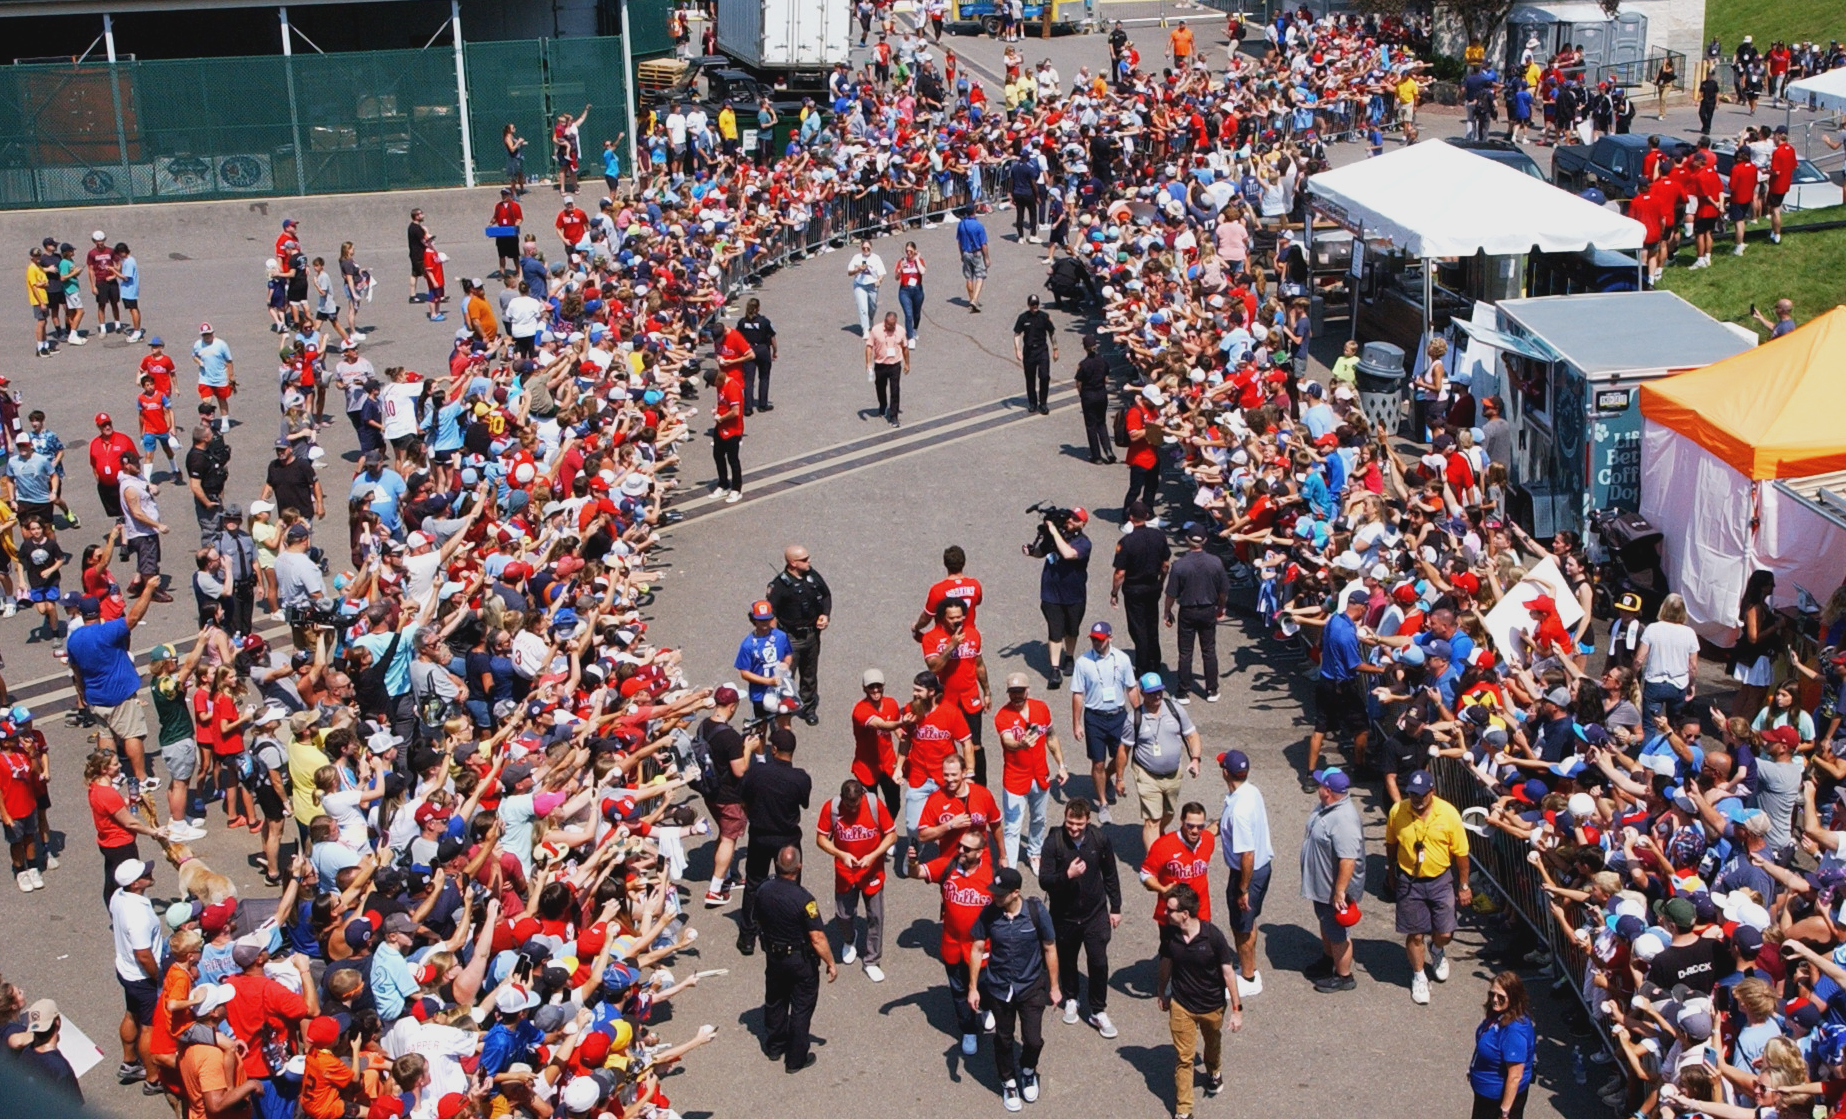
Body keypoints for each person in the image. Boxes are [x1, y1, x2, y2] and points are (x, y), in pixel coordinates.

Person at [967, 865, 1058, 1112]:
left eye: (1000, 893)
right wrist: (974, 988)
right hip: (999, 988)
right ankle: (1008, 1081)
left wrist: (1055, 986)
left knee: (1034, 1040)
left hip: (1031, 987)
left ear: (1015, 893)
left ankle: (1028, 1070)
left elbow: (1050, 947)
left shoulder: (1036, 912)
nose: (994, 897)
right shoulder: (989, 914)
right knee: (1004, 1039)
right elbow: (976, 949)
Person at [1384, 769, 1470, 1005]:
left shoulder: (1449, 814)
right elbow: (1391, 844)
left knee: (1444, 932)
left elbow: (1461, 854)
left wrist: (1464, 885)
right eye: (1412, 793)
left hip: (1440, 880)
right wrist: (1391, 872)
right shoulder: (1398, 811)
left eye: (1421, 794)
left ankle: (1438, 949)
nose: (1417, 798)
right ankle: (1419, 975)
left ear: (1432, 791)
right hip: (1408, 880)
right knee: (1415, 932)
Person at [1038, 797, 1120, 1038]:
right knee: (1067, 959)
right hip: (1064, 915)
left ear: (1088, 820)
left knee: (1098, 961)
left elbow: (1110, 873)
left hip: (1095, 913)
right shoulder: (1054, 842)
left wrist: (1115, 907)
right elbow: (1045, 880)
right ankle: (1071, 997)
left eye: (1079, 824)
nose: (1073, 828)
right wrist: (1067, 874)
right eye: (1069, 823)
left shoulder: (1099, 839)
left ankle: (1098, 1010)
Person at [1157, 883, 1241, 1119]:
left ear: (1185, 914)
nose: (1166, 912)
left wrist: (1237, 1009)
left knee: (1212, 1042)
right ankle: (1184, 1109)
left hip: (1212, 1006)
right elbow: (1166, 964)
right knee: (1184, 1058)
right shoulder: (1171, 936)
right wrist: (1161, 991)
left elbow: (1228, 973)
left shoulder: (1212, 936)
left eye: (1170, 909)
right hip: (1181, 1005)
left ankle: (1214, 1070)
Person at [70, 581, 160, 793]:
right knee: (132, 735)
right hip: (119, 693)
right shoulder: (108, 631)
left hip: (95, 695)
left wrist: (81, 693)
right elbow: (134, 617)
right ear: (99, 611)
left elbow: (76, 670)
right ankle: (141, 777)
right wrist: (148, 590)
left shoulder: (74, 640)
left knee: (106, 736)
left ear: (81, 614)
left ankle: (114, 775)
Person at [755, 845, 836, 1074]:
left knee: (776, 1001)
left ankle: (775, 1046)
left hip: (774, 956)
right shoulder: (804, 899)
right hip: (801, 961)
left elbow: (757, 918)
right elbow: (817, 937)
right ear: (798, 867)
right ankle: (795, 1059)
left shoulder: (763, 890)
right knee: (801, 1008)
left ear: (776, 865)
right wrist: (830, 962)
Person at [815, 777, 898, 983]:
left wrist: (874, 855)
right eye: (848, 805)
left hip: (872, 872)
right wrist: (840, 854)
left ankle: (871, 961)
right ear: (842, 798)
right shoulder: (832, 808)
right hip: (845, 873)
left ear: (862, 795)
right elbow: (821, 839)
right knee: (843, 915)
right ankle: (849, 939)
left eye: (856, 804)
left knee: (876, 917)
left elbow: (892, 835)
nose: (852, 809)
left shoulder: (874, 805)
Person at [738, 728, 811, 956]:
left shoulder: (757, 772)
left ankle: (748, 937)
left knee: (753, 884)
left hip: (760, 835)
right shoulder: (800, 777)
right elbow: (804, 803)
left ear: (775, 749)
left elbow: (743, 798)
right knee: (790, 886)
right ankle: (789, 931)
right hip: (787, 838)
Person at [1300, 766, 1365, 993]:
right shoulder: (1330, 807)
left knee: (1338, 933)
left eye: (1320, 784)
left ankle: (1344, 976)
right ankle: (1329, 960)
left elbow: (1348, 859)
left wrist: (1340, 892)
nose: (1318, 787)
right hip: (1323, 885)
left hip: (1333, 889)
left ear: (1327, 791)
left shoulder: (1344, 819)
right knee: (1326, 923)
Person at [1119, 674, 1202, 850]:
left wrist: (1195, 759)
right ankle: (1153, 863)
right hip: (1146, 774)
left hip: (1173, 773)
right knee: (1152, 820)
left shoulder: (1175, 710)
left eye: (1159, 692)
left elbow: (1192, 735)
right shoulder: (1134, 718)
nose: (1157, 696)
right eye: (1151, 693)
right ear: (1142, 693)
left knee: (1169, 813)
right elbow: (1123, 750)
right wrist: (1120, 778)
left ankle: (1159, 831)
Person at [993, 674, 1065, 872]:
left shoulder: (1041, 708)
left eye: (1020, 691)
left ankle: (1035, 853)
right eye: (1013, 692)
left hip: (1041, 776)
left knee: (1039, 819)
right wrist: (1020, 744)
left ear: (1028, 690)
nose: (1016, 696)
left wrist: (1061, 765)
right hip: (1015, 780)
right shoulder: (1003, 716)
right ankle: (1011, 870)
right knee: (1013, 827)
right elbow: (1008, 740)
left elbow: (1051, 737)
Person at [1216, 750, 1272, 998]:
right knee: (1248, 923)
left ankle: (1249, 978)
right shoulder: (1251, 791)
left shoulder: (1239, 810)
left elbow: (1246, 854)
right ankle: (1248, 966)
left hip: (1247, 874)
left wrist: (1243, 889)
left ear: (1226, 772)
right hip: (1259, 869)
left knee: (1242, 926)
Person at [110, 856, 167, 1091]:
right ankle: (153, 1079)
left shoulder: (118, 897)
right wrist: (158, 978)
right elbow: (144, 954)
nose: (149, 875)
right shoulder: (139, 915)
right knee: (148, 1027)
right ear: (135, 884)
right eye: (145, 875)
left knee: (131, 1013)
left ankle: (130, 1061)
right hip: (143, 977)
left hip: (125, 971)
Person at [1069, 621, 1136, 822]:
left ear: (1110, 638)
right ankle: (1103, 802)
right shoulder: (1083, 662)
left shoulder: (1122, 660)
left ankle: (1108, 776)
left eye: (1100, 639)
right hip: (1095, 717)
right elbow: (1078, 694)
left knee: (1120, 756)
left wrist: (1141, 716)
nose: (1096, 643)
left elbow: (1131, 688)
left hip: (1118, 716)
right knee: (1098, 762)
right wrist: (1077, 723)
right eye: (1093, 639)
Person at [921, 599, 992, 785]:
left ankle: (979, 786)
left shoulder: (974, 634)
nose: (957, 621)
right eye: (952, 618)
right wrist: (951, 646)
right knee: (948, 745)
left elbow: (979, 664)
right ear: (942, 618)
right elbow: (933, 668)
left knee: (975, 744)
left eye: (960, 616)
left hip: (970, 697)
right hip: (947, 700)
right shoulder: (931, 638)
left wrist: (987, 691)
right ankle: (950, 783)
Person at [1307, 589, 1371, 786]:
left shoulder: (1334, 620)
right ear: (1362, 607)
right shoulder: (1347, 635)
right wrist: (1383, 668)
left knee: (1320, 728)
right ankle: (1359, 768)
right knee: (1362, 728)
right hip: (1342, 687)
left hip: (1325, 682)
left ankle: (1310, 775)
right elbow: (1356, 665)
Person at [765, 545, 831, 725]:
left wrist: (825, 614)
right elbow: (770, 613)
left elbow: (825, 594)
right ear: (793, 563)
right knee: (786, 677)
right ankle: (783, 711)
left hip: (811, 635)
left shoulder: (811, 575)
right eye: (804, 559)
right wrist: (775, 638)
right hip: (790, 638)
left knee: (810, 675)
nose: (809, 562)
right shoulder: (779, 585)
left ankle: (808, 708)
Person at [1164, 528, 1229, 703]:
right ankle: (1212, 690)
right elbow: (1223, 591)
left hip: (1188, 611)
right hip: (1208, 609)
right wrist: (1221, 608)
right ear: (1205, 540)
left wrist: (1167, 611)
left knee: (1185, 652)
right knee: (1209, 651)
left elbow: (1171, 593)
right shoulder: (1215, 562)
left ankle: (1183, 692)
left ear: (1187, 540)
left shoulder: (1179, 565)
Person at [1032, 505, 1091, 689]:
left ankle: (1070, 657)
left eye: (1076, 519)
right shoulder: (1057, 536)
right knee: (1055, 631)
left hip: (1074, 595)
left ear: (1083, 524)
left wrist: (1053, 530)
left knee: (1072, 630)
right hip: (1051, 594)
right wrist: (1031, 551)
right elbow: (1042, 552)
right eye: (1070, 517)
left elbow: (1067, 553)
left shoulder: (1084, 542)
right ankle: (1055, 669)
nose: (1071, 521)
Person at [1112, 501, 1171, 677]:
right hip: (1153, 586)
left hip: (1134, 588)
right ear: (1146, 516)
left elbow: (1119, 573)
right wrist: (1161, 581)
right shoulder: (1159, 536)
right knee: (1152, 623)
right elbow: (1166, 565)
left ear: (1131, 518)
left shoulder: (1126, 542)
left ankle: (1143, 665)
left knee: (1138, 627)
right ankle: (1155, 660)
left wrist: (1114, 593)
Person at [1469, 973, 1536, 1119]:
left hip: (1496, 1100)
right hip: (1485, 1093)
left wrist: (1504, 1112)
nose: (1494, 999)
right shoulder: (1500, 1014)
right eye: (1492, 994)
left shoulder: (1514, 1031)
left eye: (1500, 996)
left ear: (1513, 997)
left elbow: (1515, 1076)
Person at [1636, 592, 1699, 724]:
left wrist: (1632, 676)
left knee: (1649, 726)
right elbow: (1693, 666)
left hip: (1655, 684)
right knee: (1676, 726)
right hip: (1678, 685)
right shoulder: (1690, 633)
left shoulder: (1652, 628)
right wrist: (1692, 684)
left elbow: (1639, 659)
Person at [1013, 294, 1058, 415]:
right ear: (1028, 305)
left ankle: (1043, 403)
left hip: (1042, 350)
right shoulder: (1023, 318)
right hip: (1029, 352)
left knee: (1044, 376)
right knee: (1030, 378)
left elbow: (1051, 332)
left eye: (1036, 304)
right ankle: (1032, 403)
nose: (1035, 306)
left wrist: (1055, 349)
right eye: (1032, 304)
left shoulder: (1044, 317)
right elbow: (1017, 334)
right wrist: (1017, 349)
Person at [1073, 335, 1115, 464]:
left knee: (1091, 425)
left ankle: (1096, 456)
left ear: (1085, 348)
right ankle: (1108, 450)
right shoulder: (1103, 361)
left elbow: (1078, 382)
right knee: (1101, 423)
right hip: (1101, 394)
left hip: (1089, 395)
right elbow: (1106, 378)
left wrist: (1081, 394)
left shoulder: (1084, 364)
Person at [712, 342, 745, 503]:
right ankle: (723, 483)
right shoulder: (720, 385)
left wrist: (721, 418)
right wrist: (717, 413)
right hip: (720, 426)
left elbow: (735, 412)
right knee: (718, 455)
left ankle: (737, 489)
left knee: (733, 459)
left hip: (733, 428)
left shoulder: (732, 388)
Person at [865, 310, 909, 428]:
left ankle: (894, 416)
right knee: (880, 386)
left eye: (893, 325)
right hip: (880, 364)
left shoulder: (900, 331)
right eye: (889, 325)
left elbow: (905, 348)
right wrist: (868, 364)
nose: (891, 327)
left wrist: (907, 364)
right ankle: (883, 405)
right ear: (885, 322)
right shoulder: (876, 330)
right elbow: (869, 347)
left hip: (895, 364)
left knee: (895, 390)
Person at [736, 297, 778, 413]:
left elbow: (737, 338)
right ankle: (762, 405)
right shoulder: (764, 322)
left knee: (748, 379)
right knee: (764, 377)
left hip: (748, 350)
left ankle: (748, 407)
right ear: (758, 308)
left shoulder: (742, 322)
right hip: (762, 349)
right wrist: (775, 351)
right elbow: (773, 337)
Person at [846, 238, 885, 336]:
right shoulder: (857, 257)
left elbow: (882, 272)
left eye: (868, 248)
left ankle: (870, 319)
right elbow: (849, 272)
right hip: (860, 285)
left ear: (871, 248)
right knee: (862, 308)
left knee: (872, 307)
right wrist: (858, 269)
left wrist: (879, 280)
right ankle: (865, 329)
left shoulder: (876, 258)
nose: (866, 250)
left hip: (872, 285)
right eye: (864, 248)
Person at [956, 207, 990, 311]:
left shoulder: (961, 224)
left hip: (966, 253)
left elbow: (959, 242)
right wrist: (987, 258)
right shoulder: (979, 225)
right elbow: (984, 244)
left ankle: (971, 299)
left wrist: (961, 254)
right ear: (974, 212)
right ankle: (974, 299)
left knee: (969, 277)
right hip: (977, 253)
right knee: (980, 276)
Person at [894, 241, 926, 347]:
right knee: (908, 314)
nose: (908, 253)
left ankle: (914, 329)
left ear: (915, 251)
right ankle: (910, 337)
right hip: (905, 290)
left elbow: (922, 272)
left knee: (916, 314)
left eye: (910, 251)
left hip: (917, 290)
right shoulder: (902, 261)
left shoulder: (920, 260)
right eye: (907, 251)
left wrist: (916, 259)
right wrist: (900, 270)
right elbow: (896, 277)